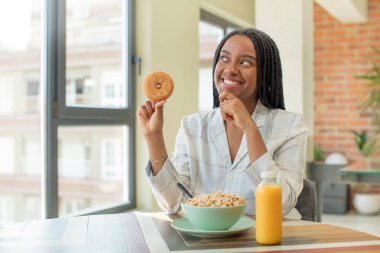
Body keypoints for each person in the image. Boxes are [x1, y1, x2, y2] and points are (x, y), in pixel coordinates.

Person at [137, 28, 308, 218]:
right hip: (208, 242)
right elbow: (174, 204)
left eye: (245, 62)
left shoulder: (291, 126)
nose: (230, 69)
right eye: (224, 58)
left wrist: (250, 128)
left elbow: (281, 206)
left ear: (264, 74)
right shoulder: (192, 127)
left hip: (268, 240)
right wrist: (154, 138)